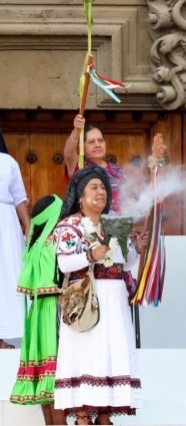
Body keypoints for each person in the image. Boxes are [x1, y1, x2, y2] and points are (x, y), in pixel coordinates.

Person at [53, 166, 146, 425]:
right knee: (87, 356)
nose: (100, 192)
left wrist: (137, 249)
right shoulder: (70, 226)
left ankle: (105, 415)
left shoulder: (115, 223)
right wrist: (89, 256)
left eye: (103, 187)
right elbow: (64, 265)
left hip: (114, 302)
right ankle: (83, 416)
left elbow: (124, 263)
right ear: (80, 197)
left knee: (110, 354)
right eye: (93, 187)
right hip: (86, 302)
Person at [10, 195, 67, 426]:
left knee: (45, 378)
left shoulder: (33, 241)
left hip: (37, 313)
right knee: (56, 380)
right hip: (54, 308)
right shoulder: (56, 239)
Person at [63, 116, 166, 214]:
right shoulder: (80, 168)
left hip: (118, 226)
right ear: (82, 147)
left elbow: (132, 197)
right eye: (91, 142)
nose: (97, 145)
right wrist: (76, 131)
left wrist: (155, 169)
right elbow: (68, 154)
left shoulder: (116, 170)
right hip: (90, 227)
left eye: (100, 140)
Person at [0, 129, 30, 350]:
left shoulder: (8, 162)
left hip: (6, 224)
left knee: (8, 276)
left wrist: (28, 226)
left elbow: (19, 198)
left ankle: (4, 337)